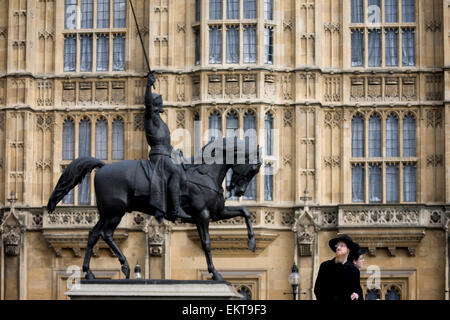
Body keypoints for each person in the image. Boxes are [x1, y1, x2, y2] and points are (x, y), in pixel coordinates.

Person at [144, 72, 191, 221]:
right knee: (175, 173)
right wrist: (148, 85)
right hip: (159, 156)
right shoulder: (150, 117)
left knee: (185, 168)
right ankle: (175, 210)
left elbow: (167, 143)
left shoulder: (160, 121)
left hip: (167, 153)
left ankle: (184, 203)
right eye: (160, 102)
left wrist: (177, 153)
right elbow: (148, 103)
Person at [313, 234, 361, 301]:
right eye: (337, 245)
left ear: (348, 250)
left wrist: (357, 295)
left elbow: (358, 291)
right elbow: (318, 289)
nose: (338, 248)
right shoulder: (325, 266)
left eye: (342, 245)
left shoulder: (354, 270)